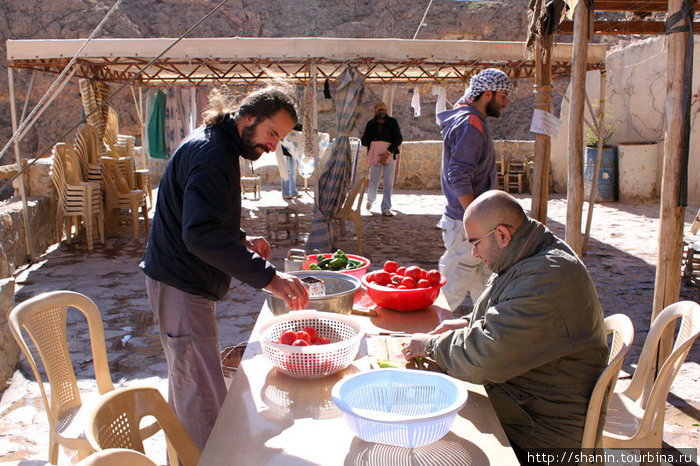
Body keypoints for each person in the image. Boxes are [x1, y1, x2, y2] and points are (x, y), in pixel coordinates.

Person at [140, 86, 310, 450]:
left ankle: (183, 455)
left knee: (190, 382)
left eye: (279, 138)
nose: (272, 146)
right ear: (249, 117)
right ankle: (203, 457)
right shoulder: (212, 153)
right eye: (272, 134)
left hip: (181, 283)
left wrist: (239, 239)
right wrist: (270, 278)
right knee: (201, 399)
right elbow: (199, 233)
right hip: (180, 285)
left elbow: (204, 215)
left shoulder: (217, 145)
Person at [403, 190, 608, 462]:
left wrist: (429, 345)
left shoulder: (547, 277)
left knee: (427, 438)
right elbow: (510, 318)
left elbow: (485, 357)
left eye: (475, 242)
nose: (474, 253)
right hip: (525, 404)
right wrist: (466, 323)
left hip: (540, 435)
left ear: (502, 235)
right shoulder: (529, 254)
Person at [437, 68, 512, 312]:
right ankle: (422, 342)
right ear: (487, 94)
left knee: (486, 288)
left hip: (475, 225)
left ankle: (489, 339)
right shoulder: (470, 124)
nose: (506, 102)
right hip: (466, 225)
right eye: (502, 96)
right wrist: (476, 220)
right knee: (448, 296)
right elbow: (459, 175)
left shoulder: (471, 120)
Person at [361, 101, 403, 216]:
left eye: (383, 109)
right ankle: (370, 200)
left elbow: (398, 138)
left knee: (388, 182)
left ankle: (386, 208)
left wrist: (388, 152)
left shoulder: (393, 122)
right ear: (375, 112)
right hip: (375, 156)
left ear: (386, 111)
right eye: (379, 110)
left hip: (389, 155)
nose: (382, 112)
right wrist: (373, 144)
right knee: (373, 180)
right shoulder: (371, 124)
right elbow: (364, 140)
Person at [279, 122, 303, 200]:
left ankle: (293, 192)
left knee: (293, 172)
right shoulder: (283, 125)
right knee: (285, 172)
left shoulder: (297, 126)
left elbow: (302, 129)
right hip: (284, 151)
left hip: (294, 152)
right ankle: (285, 193)